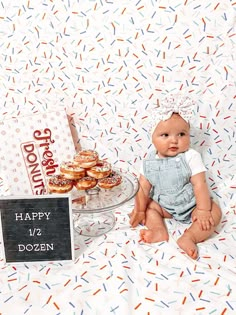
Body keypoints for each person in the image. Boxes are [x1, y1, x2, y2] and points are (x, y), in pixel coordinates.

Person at [129, 95, 222, 260]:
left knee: (215, 212)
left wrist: (202, 210)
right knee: (150, 207)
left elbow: (199, 184)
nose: (174, 140)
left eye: (181, 134)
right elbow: (143, 188)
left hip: (191, 205)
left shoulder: (190, 156)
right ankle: (158, 230)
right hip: (165, 206)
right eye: (165, 135)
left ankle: (189, 237)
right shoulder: (148, 162)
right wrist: (140, 209)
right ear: (153, 138)